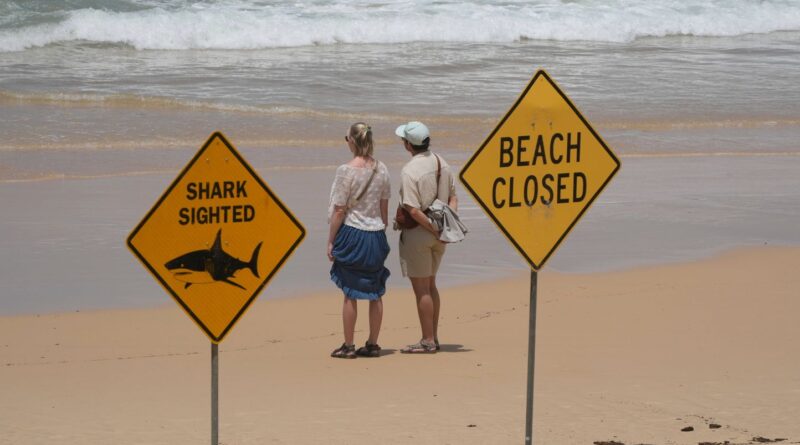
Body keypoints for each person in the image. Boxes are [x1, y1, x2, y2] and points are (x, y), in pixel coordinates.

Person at [328, 122, 391, 359]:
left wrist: (331, 240)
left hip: (353, 233)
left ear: (352, 141)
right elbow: (384, 208)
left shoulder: (346, 170)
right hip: (376, 234)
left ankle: (349, 345)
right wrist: (380, 228)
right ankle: (373, 344)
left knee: (349, 290)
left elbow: (338, 210)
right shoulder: (382, 169)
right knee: (376, 291)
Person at [394, 121, 457, 354]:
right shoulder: (442, 162)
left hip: (420, 235)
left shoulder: (410, 170)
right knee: (431, 286)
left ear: (409, 145)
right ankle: (434, 336)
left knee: (421, 289)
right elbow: (453, 198)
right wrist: (445, 228)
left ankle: (428, 340)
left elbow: (412, 209)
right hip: (440, 236)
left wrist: (433, 228)